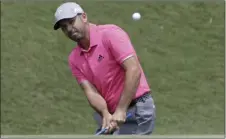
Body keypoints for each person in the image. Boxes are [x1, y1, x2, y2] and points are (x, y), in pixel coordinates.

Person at [53, 2, 156, 135]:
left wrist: (121, 109)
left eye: (71, 22)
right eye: (64, 27)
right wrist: (105, 113)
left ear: (84, 17)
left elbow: (133, 70)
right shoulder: (74, 58)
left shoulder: (110, 34)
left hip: (137, 108)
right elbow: (91, 92)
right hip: (114, 115)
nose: (69, 29)